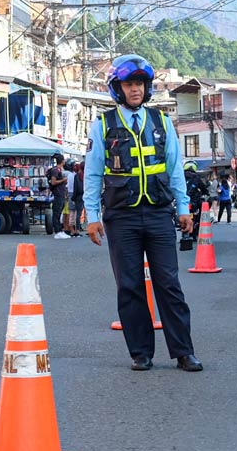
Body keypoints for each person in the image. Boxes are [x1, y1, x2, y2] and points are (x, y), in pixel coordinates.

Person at [84, 53, 202, 373]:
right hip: (121, 217)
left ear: (147, 87)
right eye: (128, 84)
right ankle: (140, 352)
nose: (134, 89)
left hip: (159, 214)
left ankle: (183, 352)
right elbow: (93, 173)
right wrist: (91, 215)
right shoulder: (103, 125)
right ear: (117, 88)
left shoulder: (162, 122)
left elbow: (176, 169)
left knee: (169, 283)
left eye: (139, 83)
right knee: (130, 285)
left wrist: (183, 208)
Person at [48, 153, 69, 238]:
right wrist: (63, 180)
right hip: (58, 194)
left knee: (59, 212)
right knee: (57, 213)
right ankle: (57, 231)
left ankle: (60, 230)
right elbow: (53, 182)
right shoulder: (55, 170)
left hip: (61, 193)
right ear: (62, 161)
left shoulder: (59, 170)